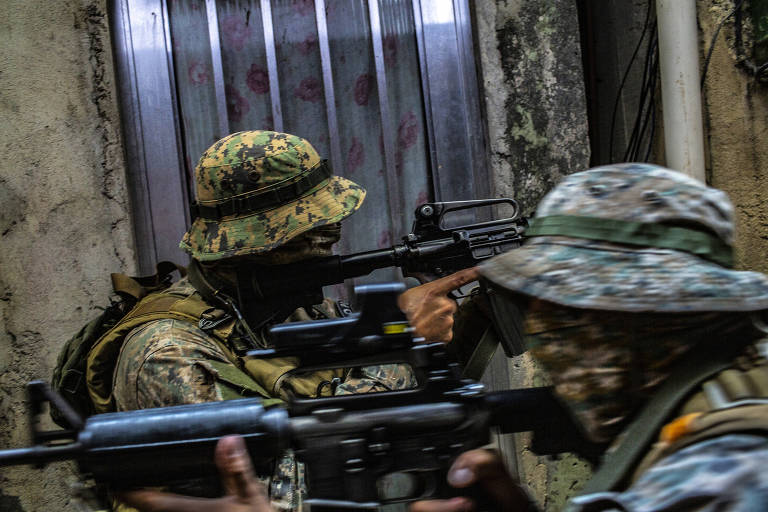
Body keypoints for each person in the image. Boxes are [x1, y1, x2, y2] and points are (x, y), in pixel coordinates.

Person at [126, 163, 768, 512]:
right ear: (258, 247)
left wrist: (429, 344)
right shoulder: (171, 349)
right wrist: (409, 347)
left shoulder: (719, 463)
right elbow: (287, 475)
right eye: (312, 241)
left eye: (569, 314)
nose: (549, 344)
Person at [85, 130, 476, 512]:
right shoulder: (168, 354)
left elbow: (397, 410)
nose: (331, 238)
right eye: (308, 233)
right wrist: (403, 349)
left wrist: (478, 308)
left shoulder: (286, 307)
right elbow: (287, 490)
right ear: (247, 244)